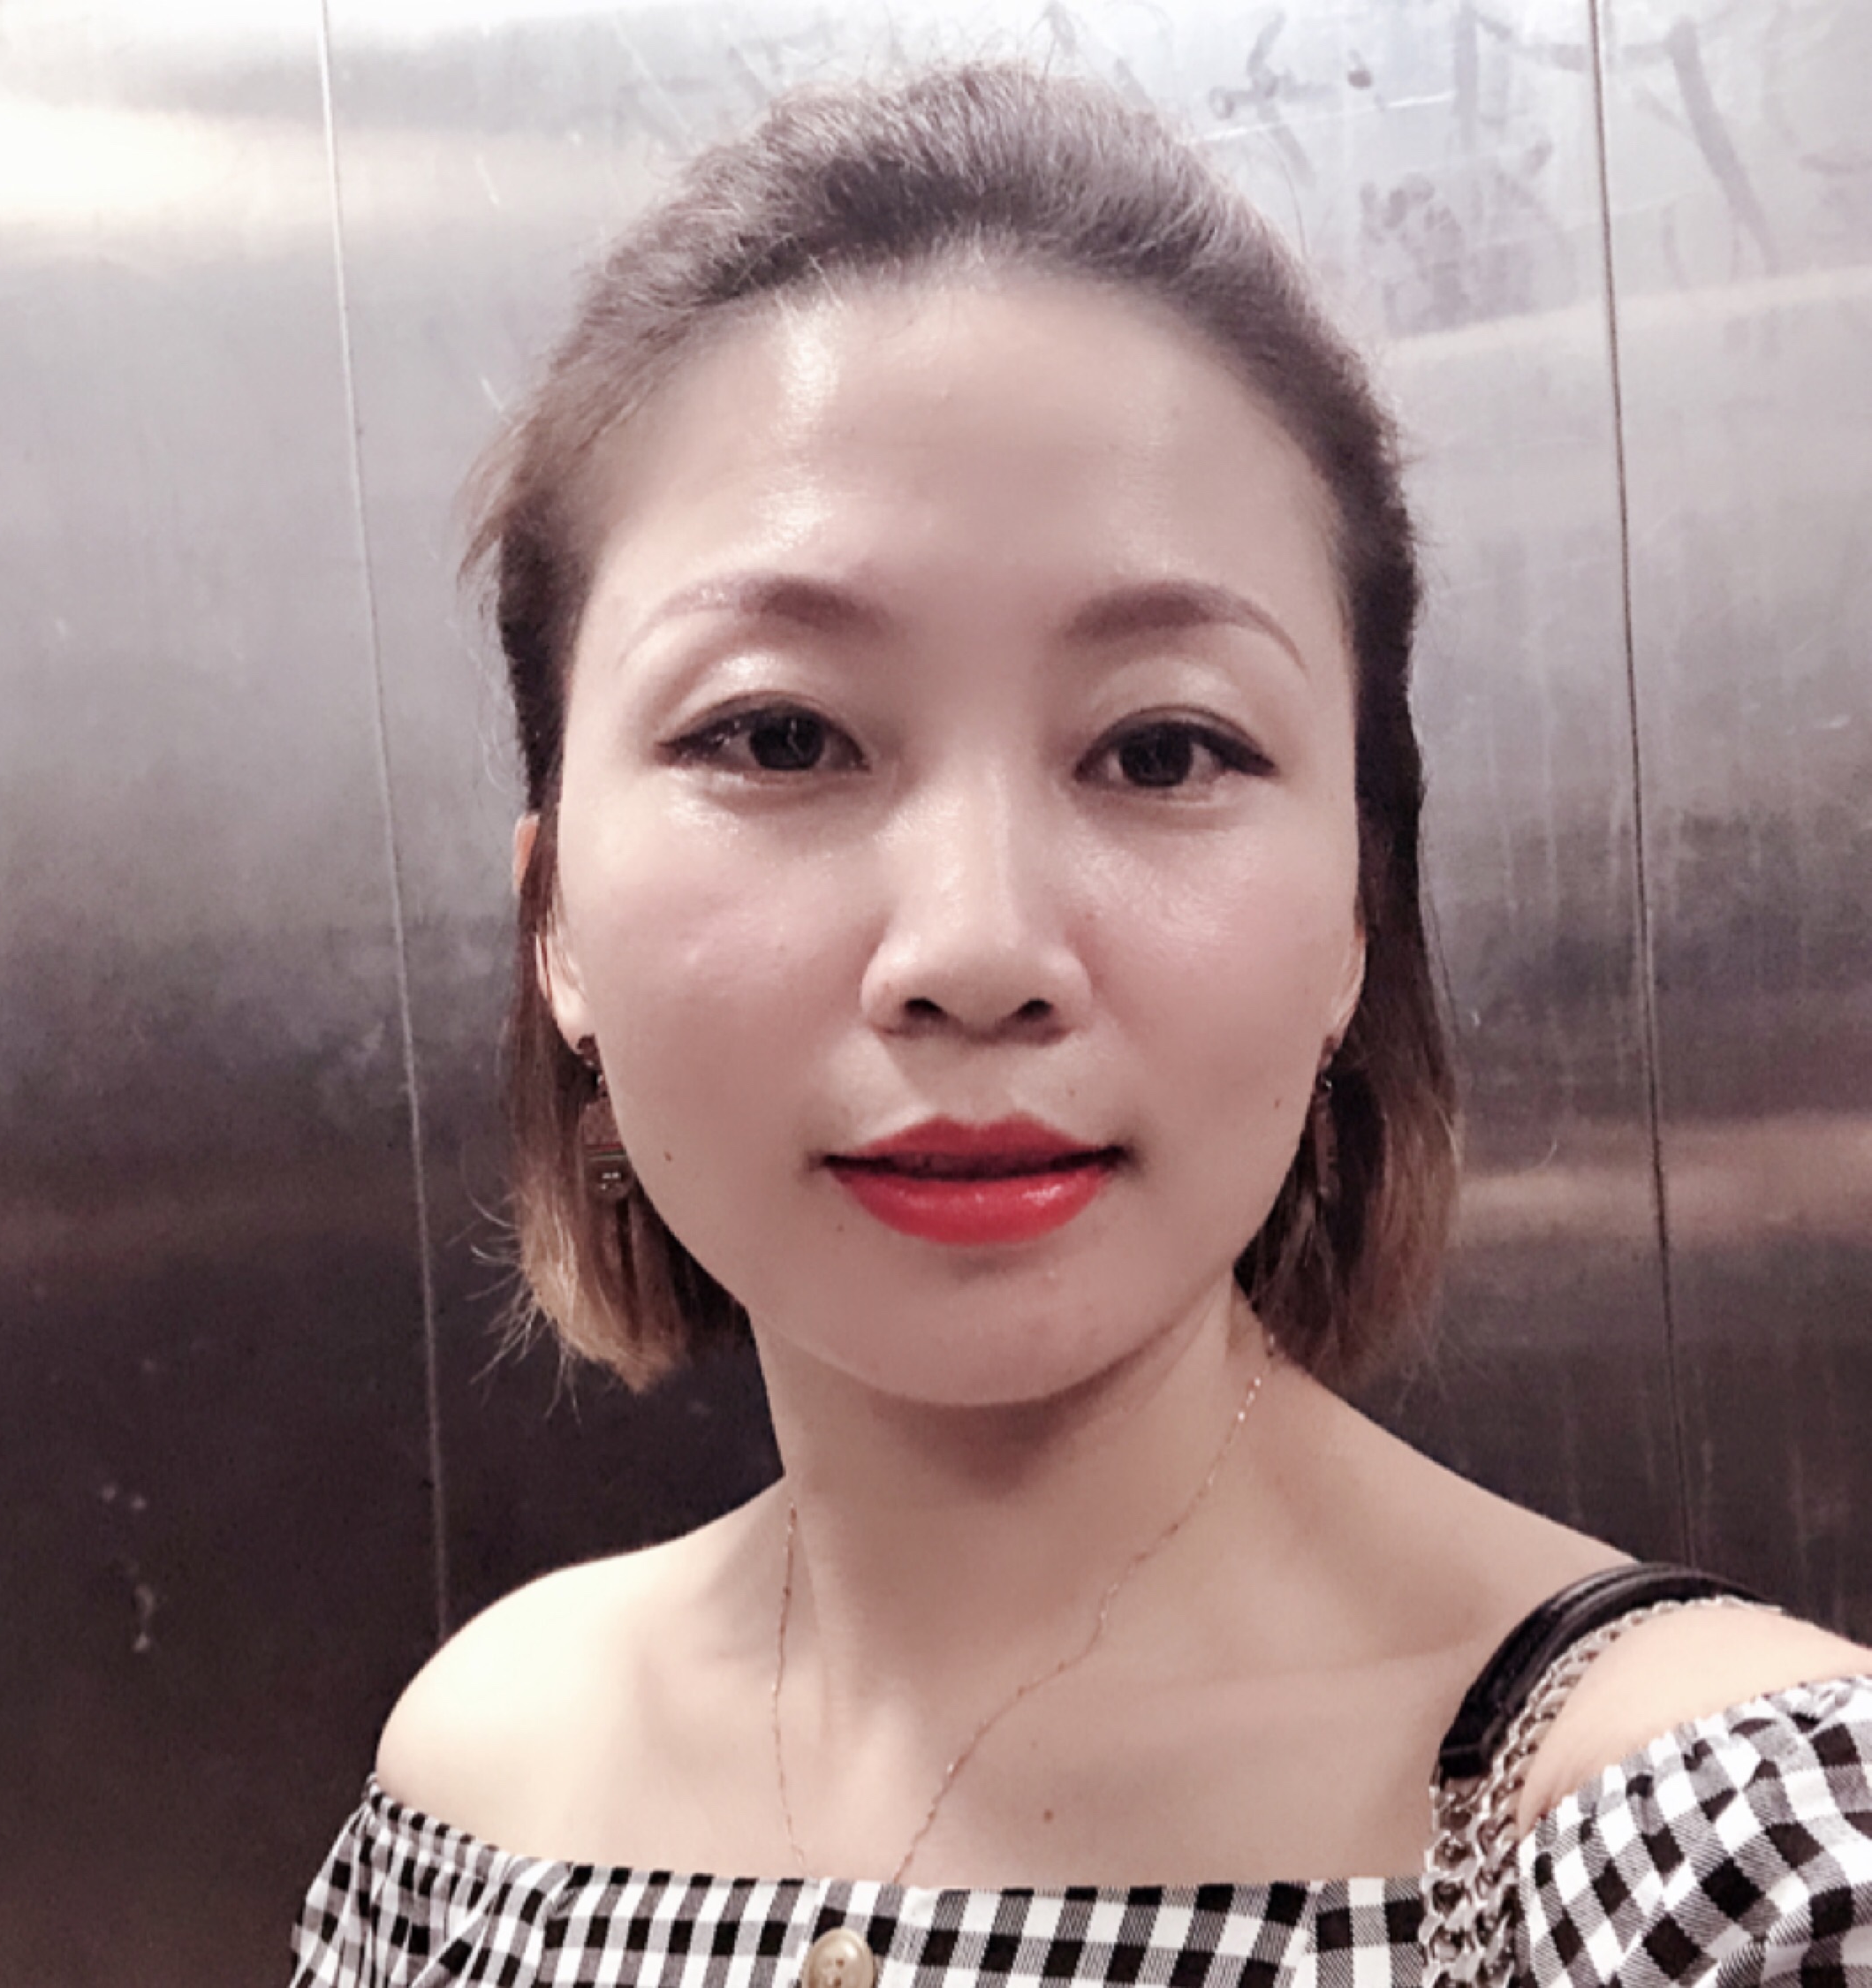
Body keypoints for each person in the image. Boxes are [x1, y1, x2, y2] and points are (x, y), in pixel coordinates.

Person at [290, 63, 1872, 1984]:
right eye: (779, 735)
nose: (976, 950)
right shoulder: (477, 1797)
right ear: (554, 922)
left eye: (1163, 749)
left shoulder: (1725, 1867)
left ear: (1357, 914)